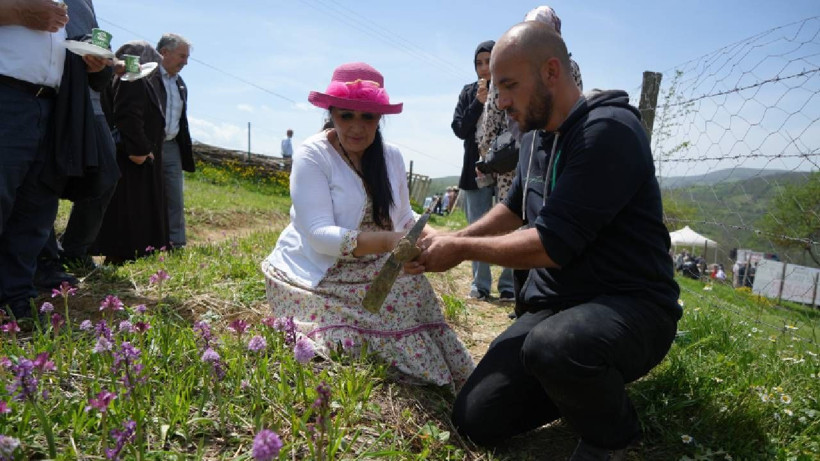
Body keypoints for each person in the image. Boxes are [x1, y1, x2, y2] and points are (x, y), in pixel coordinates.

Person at [416, 23, 681, 460]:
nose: (500, 101)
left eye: (509, 85)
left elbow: (551, 244)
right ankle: (576, 384)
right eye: (495, 87)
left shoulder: (607, 132)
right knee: (475, 418)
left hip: (632, 307)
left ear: (551, 71)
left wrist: (460, 250)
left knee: (557, 346)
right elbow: (513, 210)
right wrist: (452, 236)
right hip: (557, 307)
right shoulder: (535, 137)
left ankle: (612, 436)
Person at [260, 62, 473, 389]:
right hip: (318, 270)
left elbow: (403, 216)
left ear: (379, 119)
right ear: (331, 114)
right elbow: (319, 235)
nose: (357, 127)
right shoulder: (313, 155)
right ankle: (398, 368)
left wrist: (433, 238)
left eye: (368, 117)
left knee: (412, 288)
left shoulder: (391, 157)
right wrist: (391, 242)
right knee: (385, 303)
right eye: (346, 116)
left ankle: (440, 378)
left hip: (370, 262)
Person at [34, 0, 120, 288]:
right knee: (42, 180)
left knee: (106, 177)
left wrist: (101, 65)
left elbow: (94, 51)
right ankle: (43, 259)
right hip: (43, 92)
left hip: (87, 102)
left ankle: (73, 249)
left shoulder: (86, 3)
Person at [0, 0, 70, 318]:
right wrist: (17, 12)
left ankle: (16, 297)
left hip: (48, 104)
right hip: (6, 94)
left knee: (36, 206)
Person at [93, 41, 169, 264]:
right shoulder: (131, 79)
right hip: (133, 158)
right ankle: (124, 255)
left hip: (131, 156)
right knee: (131, 208)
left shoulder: (123, 79)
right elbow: (128, 116)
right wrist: (141, 150)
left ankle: (127, 253)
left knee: (130, 207)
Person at [452, 39, 514, 302]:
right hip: (474, 169)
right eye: (479, 63)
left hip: (506, 169)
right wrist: (478, 103)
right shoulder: (468, 93)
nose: (484, 67)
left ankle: (510, 284)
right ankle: (481, 285)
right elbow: (459, 129)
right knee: (477, 226)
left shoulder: (509, 87)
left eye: (489, 61)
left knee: (511, 226)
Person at [156, 33, 194, 250]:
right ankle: (148, 240)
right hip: (149, 145)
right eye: (182, 56)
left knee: (174, 197)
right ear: (164, 53)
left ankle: (176, 243)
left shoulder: (180, 84)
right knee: (147, 193)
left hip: (171, 146)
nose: (185, 62)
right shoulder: (148, 76)